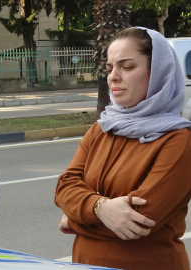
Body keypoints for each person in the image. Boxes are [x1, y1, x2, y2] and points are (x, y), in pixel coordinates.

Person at [55, 27, 191, 270]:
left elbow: (139, 222)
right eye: (109, 68)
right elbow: (64, 186)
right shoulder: (103, 128)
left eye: (127, 67)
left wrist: (74, 219)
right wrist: (100, 208)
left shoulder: (179, 140)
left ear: (158, 72)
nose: (114, 77)